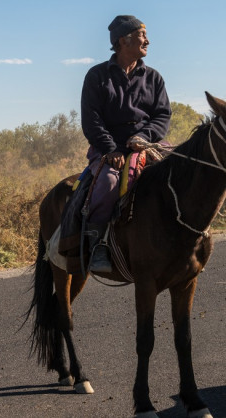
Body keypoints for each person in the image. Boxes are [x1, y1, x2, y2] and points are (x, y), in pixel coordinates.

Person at [80, 15, 172, 273]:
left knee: (181, 170)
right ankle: (98, 245)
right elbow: (91, 120)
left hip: (147, 144)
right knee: (109, 183)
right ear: (123, 41)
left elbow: (163, 115)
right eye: (142, 36)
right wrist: (110, 149)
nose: (148, 41)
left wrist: (145, 136)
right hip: (110, 149)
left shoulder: (154, 78)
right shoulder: (96, 76)